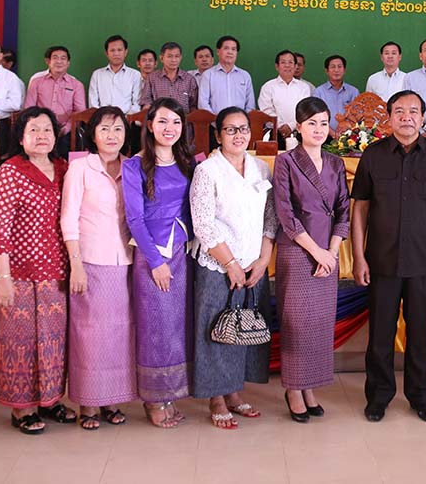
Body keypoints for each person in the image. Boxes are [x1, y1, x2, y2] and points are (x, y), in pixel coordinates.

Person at [351, 90, 426, 422]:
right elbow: (360, 211)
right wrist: (359, 257)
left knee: (420, 333)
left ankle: (421, 395)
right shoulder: (374, 154)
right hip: (382, 260)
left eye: (414, 111)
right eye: (399, 111)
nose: (407, 117)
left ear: (423, 116)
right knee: (381, 334)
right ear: (389, 117)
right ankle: (379, 396)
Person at [0, 107, 75, 434]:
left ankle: (50, 400)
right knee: (19, 339)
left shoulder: (65, 168)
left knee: (53, 338)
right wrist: (3, 278)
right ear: (21, 137)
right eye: (34, 130)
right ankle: (21, 407)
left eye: (47, 130)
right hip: (18, 272)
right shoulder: (10, 171)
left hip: (56, 269)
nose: (41, 136)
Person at [190, 107, 274, 429]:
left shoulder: (261, 168)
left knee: (242, 328)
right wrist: (230, 264)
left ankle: (235, 392)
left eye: (242, 129)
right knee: (216, 329)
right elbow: (203, 224)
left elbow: (271, 217)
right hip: (217, 264)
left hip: (253, 263)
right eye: (230, 130)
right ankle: (216, 397)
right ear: (218, 135)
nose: (238, 135)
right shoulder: (208, 171)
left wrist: (263, 260)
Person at [273, 98, 350, 422]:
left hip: (328, 254)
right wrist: (316, 251)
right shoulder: (286, 161)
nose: (318, 129)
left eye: (323, 123)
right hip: (298, 250)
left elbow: (344, 209)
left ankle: (310, 387)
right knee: (297, 323)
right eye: (311, 123)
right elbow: (285, 214)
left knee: (318, 325)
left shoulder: (335, 162)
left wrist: (331, 252)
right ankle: (293, 388)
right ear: (299, 126)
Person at [61, 107, 136, 431]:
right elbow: (68, 219)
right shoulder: (80, 168)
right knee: (89, 335)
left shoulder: (131, 168)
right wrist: (75, 265)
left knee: (120, 333)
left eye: (118, 129)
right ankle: (88, 403)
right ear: (92, 134)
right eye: (105, 129)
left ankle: (112, 399)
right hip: (90, 261)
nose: (112, 135)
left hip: (125, 261)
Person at [122, 98, 194, 428]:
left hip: (182, 251)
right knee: (156, 327)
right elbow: (134, 218)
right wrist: (154, 261)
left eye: (176, 123)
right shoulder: (134, 165)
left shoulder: (187, 161)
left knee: (176, 326)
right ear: (149, 125)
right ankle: (154, 398)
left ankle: (172, 393)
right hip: (154, 254)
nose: (170, 129)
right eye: (163, 121)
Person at [23, 45, 87, 156]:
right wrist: (42, 127)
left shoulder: (77, 85)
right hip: (40, 129)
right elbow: (29, 109)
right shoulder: (36, 82)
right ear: (48, 61)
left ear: (68, 63)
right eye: (55, 58)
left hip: (67, 132)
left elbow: (80, 112)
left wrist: (66, 128)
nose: (59, 61)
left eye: (63, 58)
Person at [259, 50, 313, 142]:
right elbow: (266, 110)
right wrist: (281, 126)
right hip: (274, 133)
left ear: (295, 66)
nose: (287, 66)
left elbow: (305, 110)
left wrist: (290, 126)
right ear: (277, 66)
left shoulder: (304, 87)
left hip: (299, 132)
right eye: (283, 62)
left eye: (290, 62)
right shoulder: (268, 86)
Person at [198, 35, 256, 115]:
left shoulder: (245, 76)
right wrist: (217, 121)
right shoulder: (208, 75)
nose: (230, 52)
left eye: (233, 49)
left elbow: (250, 105)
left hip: (240, 125)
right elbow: (203, 104)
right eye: (226, 48)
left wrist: (242, 121)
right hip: (214, 125)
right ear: (218, 51)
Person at [88, 35, 142, 114]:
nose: (116, 53)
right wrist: (101, 118)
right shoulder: (97, 75)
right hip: (101, 120)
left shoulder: (135, 75)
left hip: (127, 121)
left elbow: (137, 103)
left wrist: (124, 119)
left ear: (125, 52)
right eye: (112, 50)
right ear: (106, 53)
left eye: (119, 50)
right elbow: (93, 104)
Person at [140, 42, 198, 113]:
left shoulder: (189, 79)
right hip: (159, 120)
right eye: (169, 56)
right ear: (161, 58)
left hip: (183, 121)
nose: (173, 60)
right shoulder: (152, 78)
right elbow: (146, 101)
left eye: (177, 56)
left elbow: (193, 106)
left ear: (180, 58)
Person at [313, 55, 360, 133]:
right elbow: (316, 117)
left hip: (350, 136)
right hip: (324, 135)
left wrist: (347, 130)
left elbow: (358, 116)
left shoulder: (353, 91)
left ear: (344, 70)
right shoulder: (319, 92)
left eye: (339, 66)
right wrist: (332, 133)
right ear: (327, 71)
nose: (336, 70)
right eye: (333, 67)